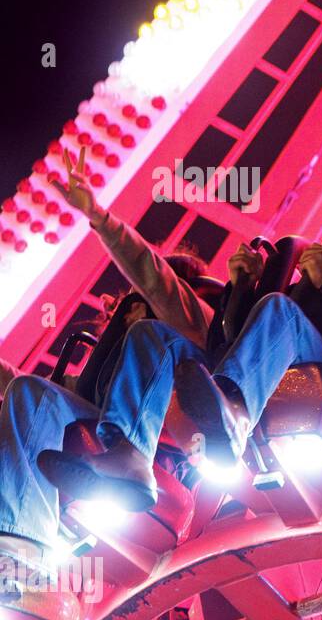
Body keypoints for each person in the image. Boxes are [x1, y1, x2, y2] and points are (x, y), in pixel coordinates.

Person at [36, 184, 322, 509]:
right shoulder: (304, 282)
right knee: (150, 336)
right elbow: (229, 342)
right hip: (266, 376)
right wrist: (243, 287)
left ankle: (234, 416)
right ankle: (127, 454)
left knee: (280, 309)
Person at [1, 148, 217, 595]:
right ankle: (22, 540)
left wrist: (100, 217)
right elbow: (51, 395)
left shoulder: (187, 322)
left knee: (142, 341)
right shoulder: (118, 356)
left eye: (141, 299)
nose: (129, 309)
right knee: (26, 396)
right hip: (98, 423)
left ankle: (27, 547)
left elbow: (154, 275)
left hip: (158, 448)